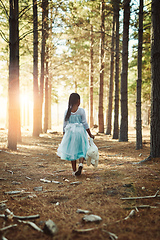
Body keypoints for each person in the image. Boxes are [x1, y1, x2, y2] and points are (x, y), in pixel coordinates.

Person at [57, 93, 94, 176]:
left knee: (72, 151)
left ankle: (74, 171)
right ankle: (81, 163)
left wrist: (64, 136)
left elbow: (64, 125)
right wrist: (90, 134)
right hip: (80, 131)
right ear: (78, 101)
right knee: (83, 148)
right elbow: (85, 123)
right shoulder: (81, 111)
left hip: (70, 133)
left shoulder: (67, 111)